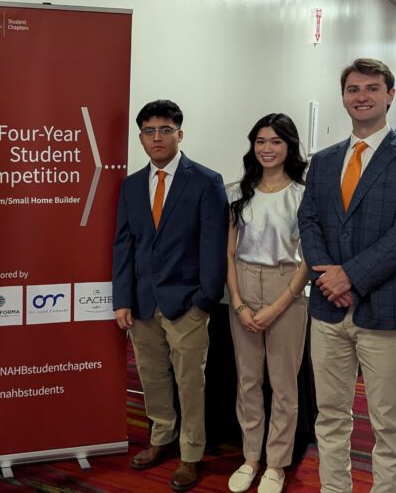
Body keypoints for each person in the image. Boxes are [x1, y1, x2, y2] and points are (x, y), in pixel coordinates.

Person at [298, 58, 396, 493]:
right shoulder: (322, 161)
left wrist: (350, 278)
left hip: (387, 308)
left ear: (391, 95)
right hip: (326, 308)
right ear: (343, 97)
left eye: (372, 88)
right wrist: (327, 279)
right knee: (331, 413)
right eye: (354, 89)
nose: (362, 97)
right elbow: (309, 222)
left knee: (388, 419)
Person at [112, 99, 227, 492]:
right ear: (141, 138)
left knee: (189, 382)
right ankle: (161, 438)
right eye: (149, 131)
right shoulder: (130, 185)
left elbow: (213, 247)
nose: (156, 138)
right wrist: (122, 299)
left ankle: (191, 453)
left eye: (165, 130)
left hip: (187, 304)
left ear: (180, 133)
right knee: (152, 376)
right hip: (143, 303)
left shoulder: (206, 181)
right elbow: (124, 246)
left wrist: (205, 300)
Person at [225, 113, 309, 493]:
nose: (267, 149)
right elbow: (227, 254)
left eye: (275, 141)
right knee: (248, 380)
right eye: (260, 141)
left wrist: (277, 306)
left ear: (288, 145)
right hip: (242, 283)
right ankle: (250, 458)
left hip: (286, 287)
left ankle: (276, 463)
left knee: (283, 382)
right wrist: (239, 303)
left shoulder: (302, 195)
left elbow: (309, 258)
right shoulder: (237, 191)